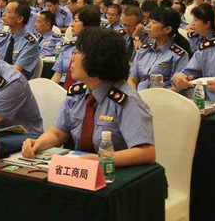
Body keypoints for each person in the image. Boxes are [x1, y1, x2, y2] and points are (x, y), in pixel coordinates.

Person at [22, 27, 156, 166]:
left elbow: (146, 152)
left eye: (77, 52)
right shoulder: (77, 93)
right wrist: (38, 143)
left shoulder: (126, 100)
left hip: (115, 172)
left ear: (98, 58)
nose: (72, 58)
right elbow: (57, 133)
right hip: (82, 168)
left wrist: (101, 160)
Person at [129, 7, 190, 90]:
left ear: (167, 29)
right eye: (149, 21)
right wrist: (135, 96)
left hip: (163, 96)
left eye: (153, 22)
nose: (148, 25)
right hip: (138, 95)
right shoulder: (143, 50)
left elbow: (177, 86)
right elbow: (132, 79)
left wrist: (156, 96)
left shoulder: (178, 55)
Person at [51, 5, 102, 87]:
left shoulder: (97, 49)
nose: (72, 25)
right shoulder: (68, 46)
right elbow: (57, 74)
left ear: (88, 25)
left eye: (76, 21)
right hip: (61, 87)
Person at [0, 0, 39, 79]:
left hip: (17, 82)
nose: (4, 14)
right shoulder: (3, 37)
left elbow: (16, 71)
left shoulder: (30, 42)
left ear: (19, 19)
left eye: (8, 11)